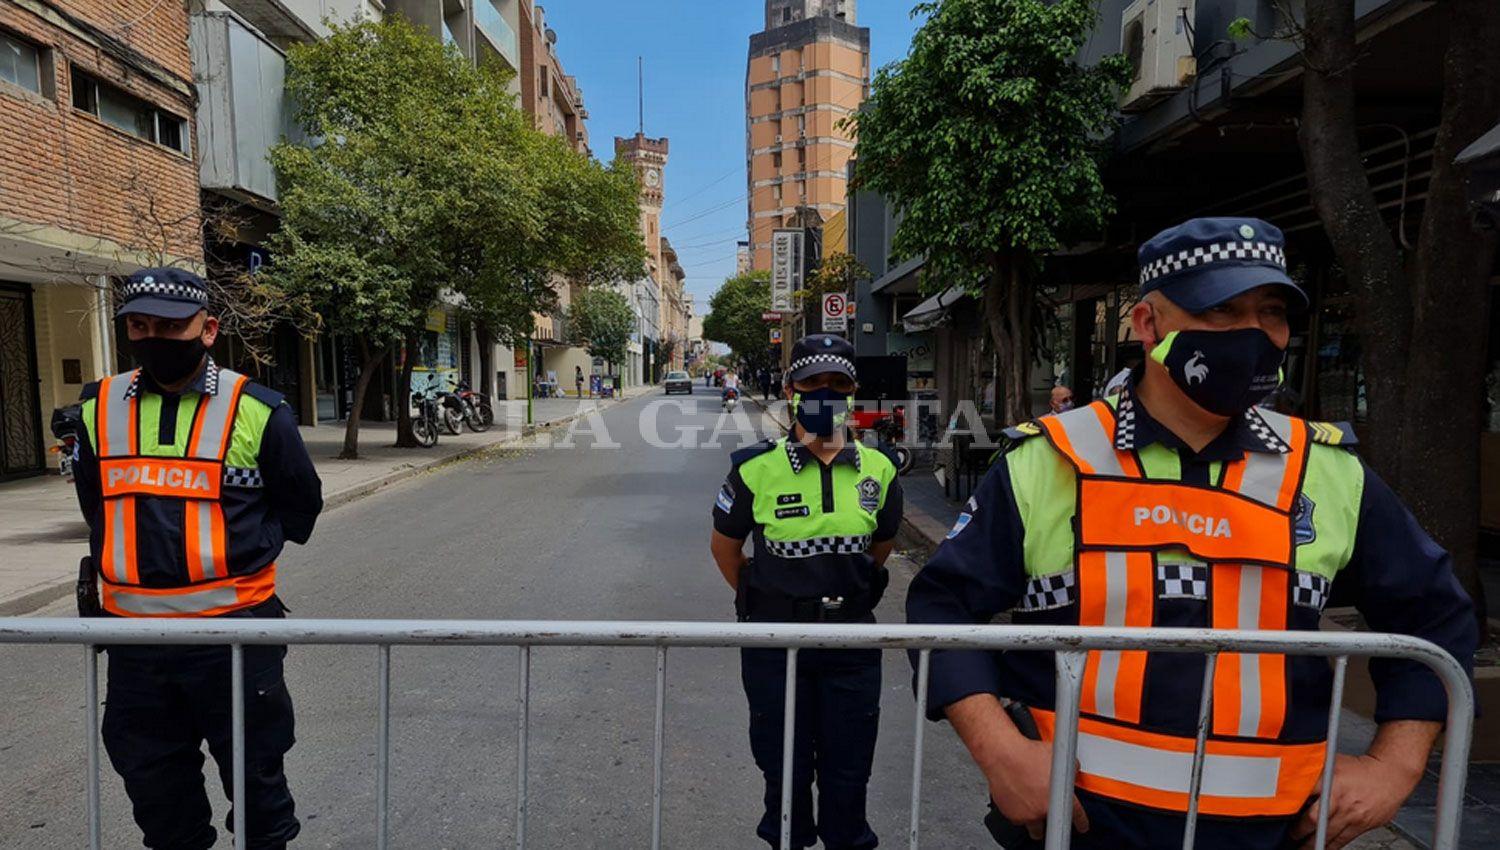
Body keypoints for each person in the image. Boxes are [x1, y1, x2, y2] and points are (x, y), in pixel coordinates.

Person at [906, 218, 1476, 850]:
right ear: (1148, 325)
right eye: (1222, 311)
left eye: (1272, 311)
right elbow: (940, 610)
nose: (1254, 334)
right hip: (1076, 830)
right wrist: (1002, 753)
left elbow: (1435, 616)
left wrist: (1395, 765)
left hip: (1273, 833)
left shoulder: (1327, 472)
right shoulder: (1051, 461)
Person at [72, 268, 323, 849]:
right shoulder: (97, 408)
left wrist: (237, 554)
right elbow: (97, 508)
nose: (154, 335)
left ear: (207, 329)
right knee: (157, 793)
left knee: (257, 785)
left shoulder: (257, 410)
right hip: (136, 645)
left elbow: (299, 507)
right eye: (140, 324)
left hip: (234, 641)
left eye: (170, 325)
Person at [711, 334, 904, 850]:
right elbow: (726, 550)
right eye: (813, 382)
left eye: (838, 384)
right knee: (785, 775)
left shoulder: (879, 470)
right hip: (777, 645)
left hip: (852, 647)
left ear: (853, 392)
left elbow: (879, 549)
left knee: (848, 776)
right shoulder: (754, 468)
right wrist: (779, 598)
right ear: (790, 389)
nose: (826, 393)